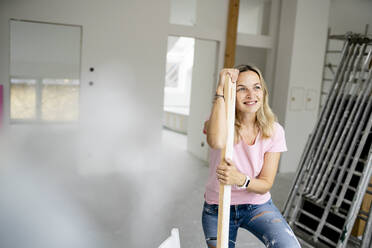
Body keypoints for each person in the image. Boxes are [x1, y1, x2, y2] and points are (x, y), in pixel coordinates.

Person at [202, 64, 301, 248]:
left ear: (263, 92)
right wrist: (220, 90)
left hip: (256, 205)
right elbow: (215, 141)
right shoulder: (220, 120)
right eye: (242, 89)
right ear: (231, 93)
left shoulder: (274, 131)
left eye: (256, 87)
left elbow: (265, 184)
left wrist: (240, 179)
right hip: (218, 206)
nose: (251, 95)